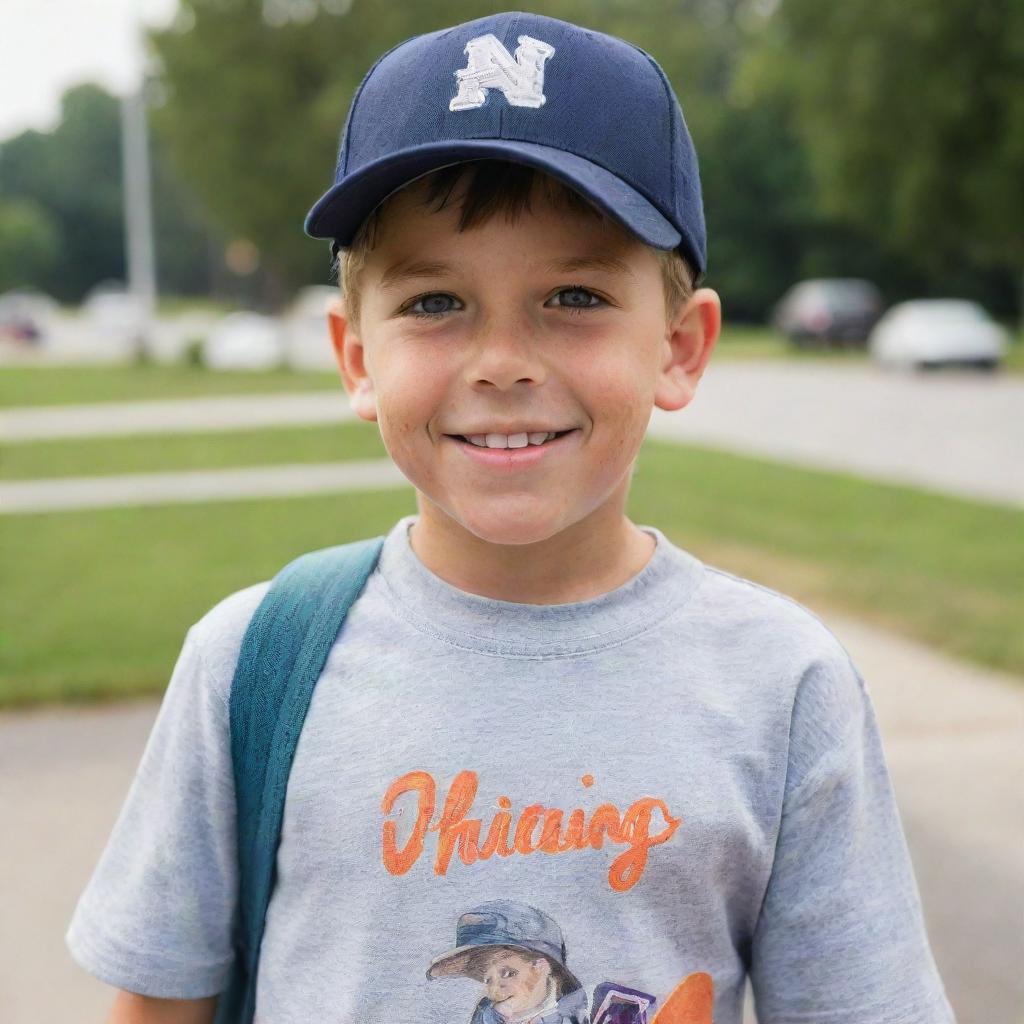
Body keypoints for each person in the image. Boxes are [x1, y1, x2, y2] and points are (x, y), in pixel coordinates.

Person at [66, 11, 955, 1024]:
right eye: (435, 303)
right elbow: (158, 1004)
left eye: (572, 294)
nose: (500, 361)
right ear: (356, 356)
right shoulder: (251, 665)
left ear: (678, 347)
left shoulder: (781, 685)